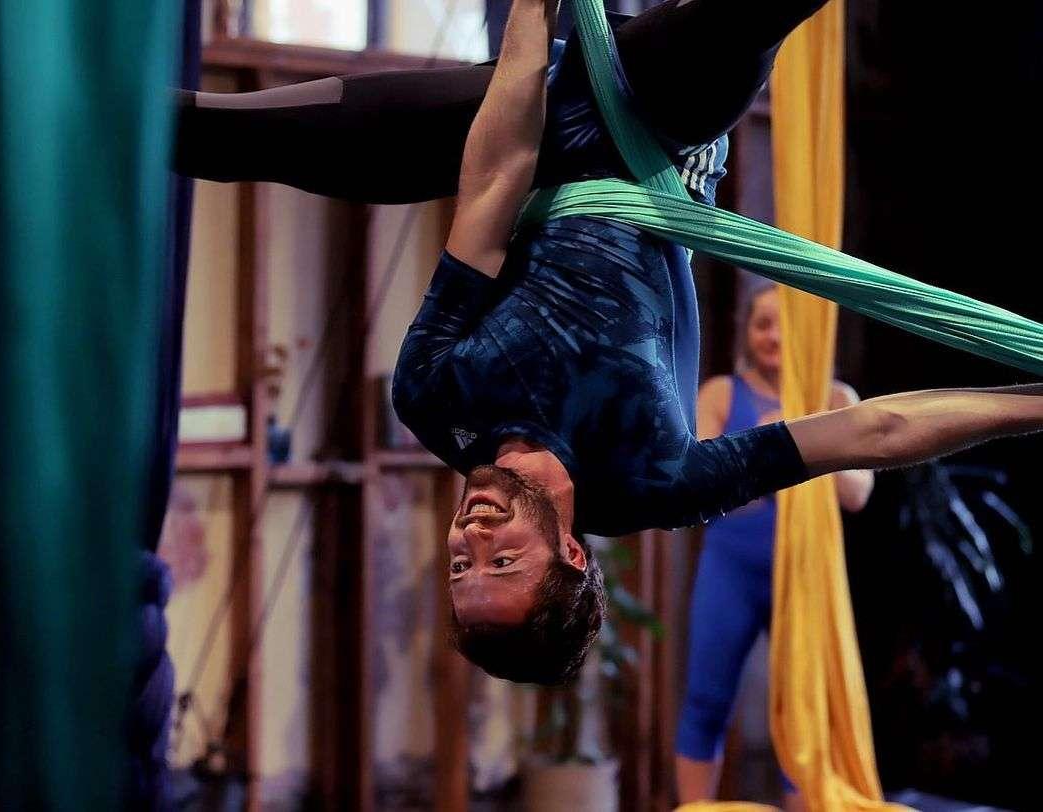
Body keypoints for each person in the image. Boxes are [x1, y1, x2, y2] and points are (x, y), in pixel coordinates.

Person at [176, 0, 1043, 687]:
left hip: (527, 125)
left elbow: (492, 184)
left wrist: (528, 12)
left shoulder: (436, 397)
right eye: (501, 559)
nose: (470, 535)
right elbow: (871, 434)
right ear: (572, 553)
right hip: (662, 123)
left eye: (458, 565)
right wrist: (1029, 407)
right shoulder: (654, 480)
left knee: (202, 133)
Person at [674, 283, 874, 809]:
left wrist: (803, 444)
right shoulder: (721, 394)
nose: (774, 335)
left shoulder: (837, 400)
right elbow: (702, 489)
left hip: (806, 575)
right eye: (762, 323)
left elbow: (856, 494)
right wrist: (763, 454)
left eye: (785, 322)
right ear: (747, 332)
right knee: (706, 697)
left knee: (804, 709)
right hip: (730, 571)